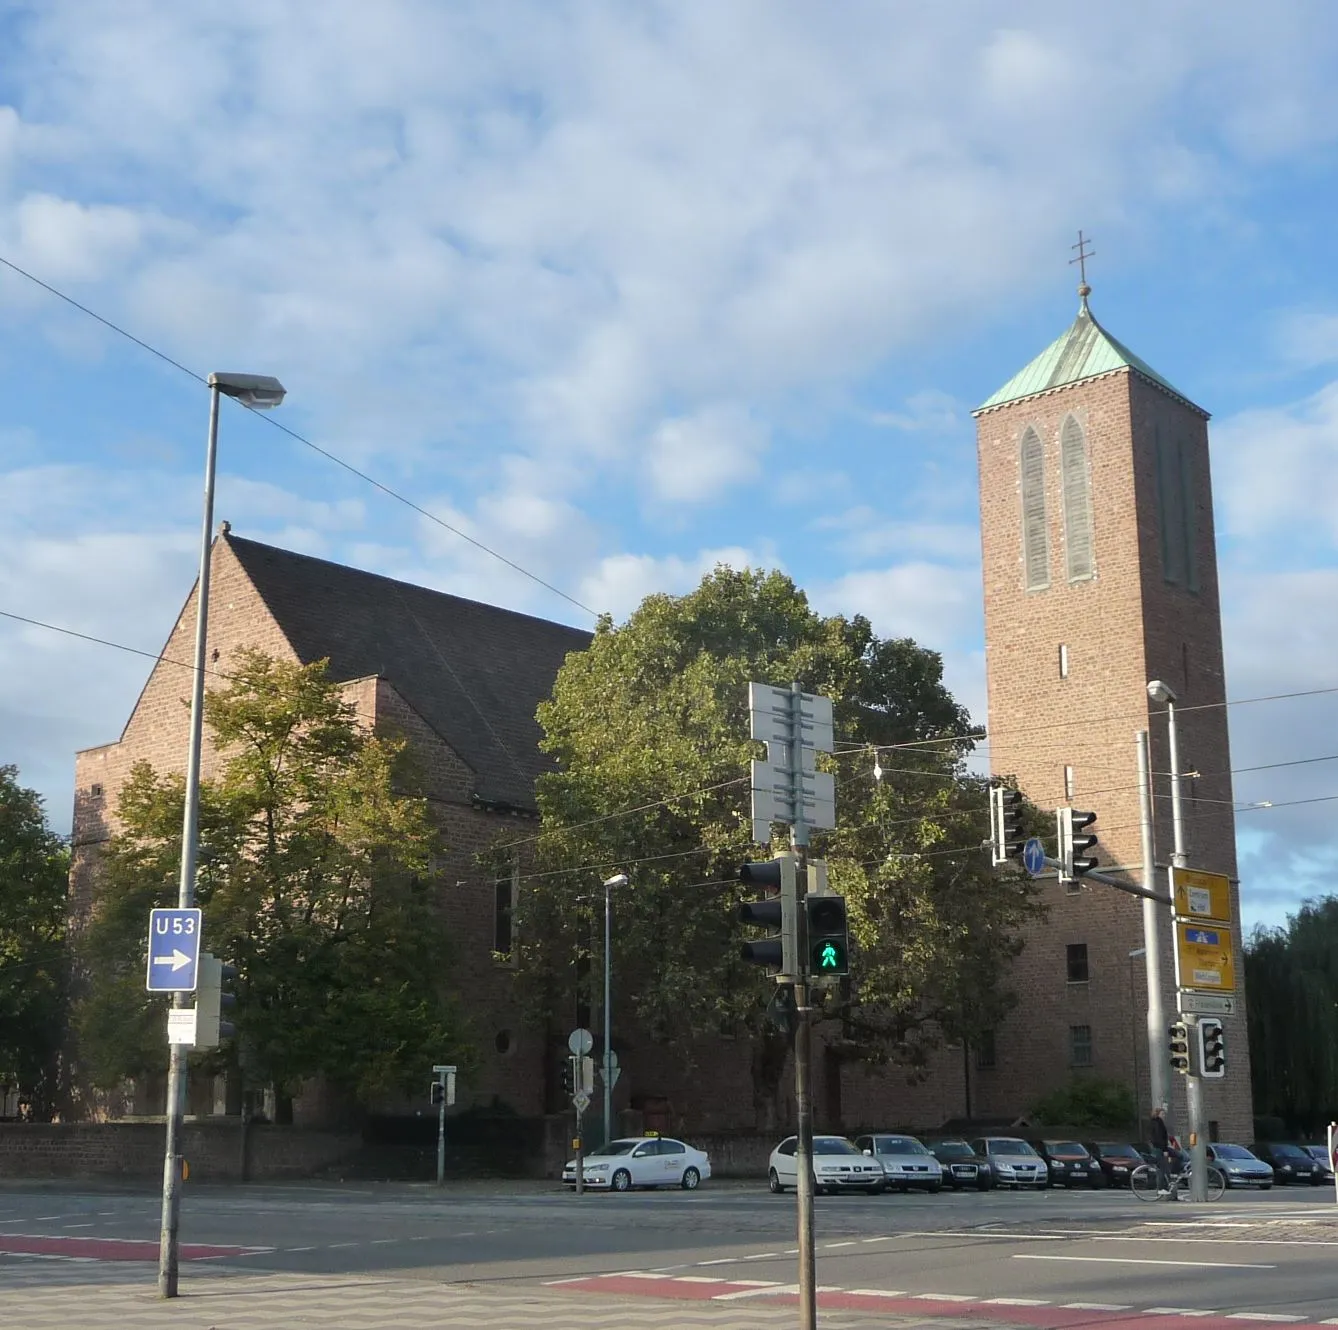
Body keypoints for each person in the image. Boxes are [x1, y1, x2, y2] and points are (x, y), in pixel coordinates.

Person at [1149, 1105, 1179, 1198]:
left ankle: (1174, 1174)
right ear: (1158, 1114)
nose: (1164, 1115)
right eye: (1163, 1113)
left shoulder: (1157, 1122)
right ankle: (1162, 1189)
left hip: (1160, 1147)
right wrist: (1165, 1150)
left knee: (1178, 1156)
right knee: (1162, 1168)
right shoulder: (1158, 1123)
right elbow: (1159, 1138)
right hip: (1160, 1148)